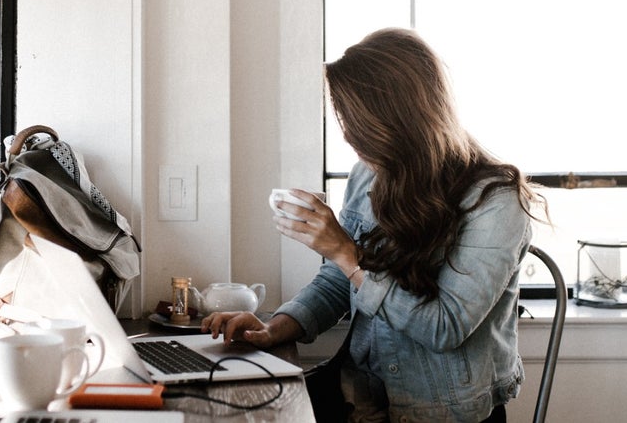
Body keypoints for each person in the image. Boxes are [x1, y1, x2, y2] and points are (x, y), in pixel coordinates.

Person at [201, 28, 548, 422]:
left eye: (358, 124)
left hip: (443, 412)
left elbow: (444, 328)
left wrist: (346, 253)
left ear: (400, 119)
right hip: (361, 397)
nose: (350, 137)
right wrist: (276, 327)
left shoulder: (496, 201)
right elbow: (338, 281)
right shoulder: (369, 175)